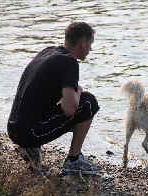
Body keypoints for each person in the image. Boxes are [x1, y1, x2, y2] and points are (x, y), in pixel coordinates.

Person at [7, 22, 100, 175]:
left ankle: (29, 147)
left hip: (13, 128)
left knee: (74, 100)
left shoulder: (48, 51)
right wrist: (79, 90)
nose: (91, 49)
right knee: (89, 102)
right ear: (83, 44)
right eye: (91, 44)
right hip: (30, 133)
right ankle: (73, 160)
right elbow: (70, 110)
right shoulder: (70, 62)